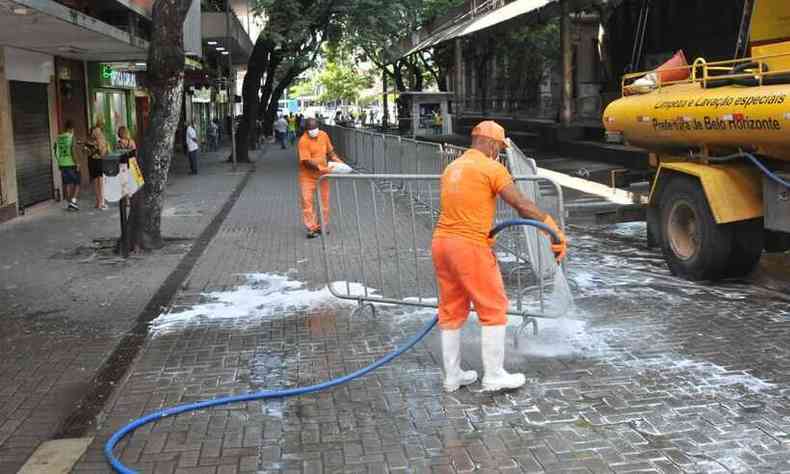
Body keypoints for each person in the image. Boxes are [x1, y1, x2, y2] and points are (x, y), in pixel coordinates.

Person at [432, 120, 568, 393]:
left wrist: (483, 231)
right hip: (469, 247)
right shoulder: (491, 167)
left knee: (451, 310)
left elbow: (462, 206)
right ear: (491, 143)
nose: (499, 152)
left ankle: (452, 376)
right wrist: (550, 227)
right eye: (499, 147)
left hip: (442, 244)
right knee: (493, 307)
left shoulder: (452, 167)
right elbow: (521, 204)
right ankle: (493, 375)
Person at [297, 118, 345, 238]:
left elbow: (331, 152)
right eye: (311, 129)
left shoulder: (323, 135)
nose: (314, 131)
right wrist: (321, 168)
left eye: (315, 128)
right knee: (307, 202)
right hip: (307, 177)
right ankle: (311, 228)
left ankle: (322, 226)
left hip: (323, 176)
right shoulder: (303, 141)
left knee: (324, 202)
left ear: (318, 127)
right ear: (306, 130)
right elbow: (307, 162)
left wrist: (340, 164)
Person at [54, 120, 80, 211]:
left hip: (62, 164)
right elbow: (73, 151)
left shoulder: (59, 137)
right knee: (77, 182)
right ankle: (73, 201)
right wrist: (77, 163)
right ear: (71, 128)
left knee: (67, 183)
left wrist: (59, 161)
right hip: (71, 163)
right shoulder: (71, 137)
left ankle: (69, 203)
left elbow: (56, 151)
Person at [86, 119, 110, 209]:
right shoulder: (100, 135)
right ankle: (101, 202)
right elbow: (101, 150)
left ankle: (98, 202)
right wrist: (104, 147)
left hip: (91, 161)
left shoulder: (89, 138)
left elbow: (86, 151)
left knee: (95, 181)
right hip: (99, 161)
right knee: (101, 182)